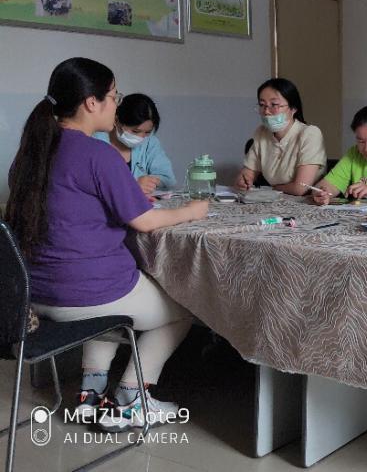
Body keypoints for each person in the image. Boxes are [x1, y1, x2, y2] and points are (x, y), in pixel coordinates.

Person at [6, 58, 208, 430]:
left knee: (114, 305)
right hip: (85, 291)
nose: (116, 104)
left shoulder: (32, 151)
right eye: (114, 96)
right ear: (91, 103)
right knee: (186, 304)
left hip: (34, 293)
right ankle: (133, 396)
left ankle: (91, 393)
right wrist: (193, 211)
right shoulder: (99, 155)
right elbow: (145, 222)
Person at [234, 78, 326, 196]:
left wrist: (272, 188)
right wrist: (243, 181)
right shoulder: (262, 132)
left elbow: (300, 188)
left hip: (307, 201)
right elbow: (248, 173)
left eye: (274, 105)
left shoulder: (310, 133)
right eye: (262, 105)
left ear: (293, 108)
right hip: (274, 198)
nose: (266, 111)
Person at [94, 93, 175, 195]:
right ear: (116, 120)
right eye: (135, 131)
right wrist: (132, 185)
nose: (141, 137)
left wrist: (149, 182)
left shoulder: (150, 142)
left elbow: (168, 179)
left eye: (147, 132)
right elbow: (93, 184)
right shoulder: (96, 142)